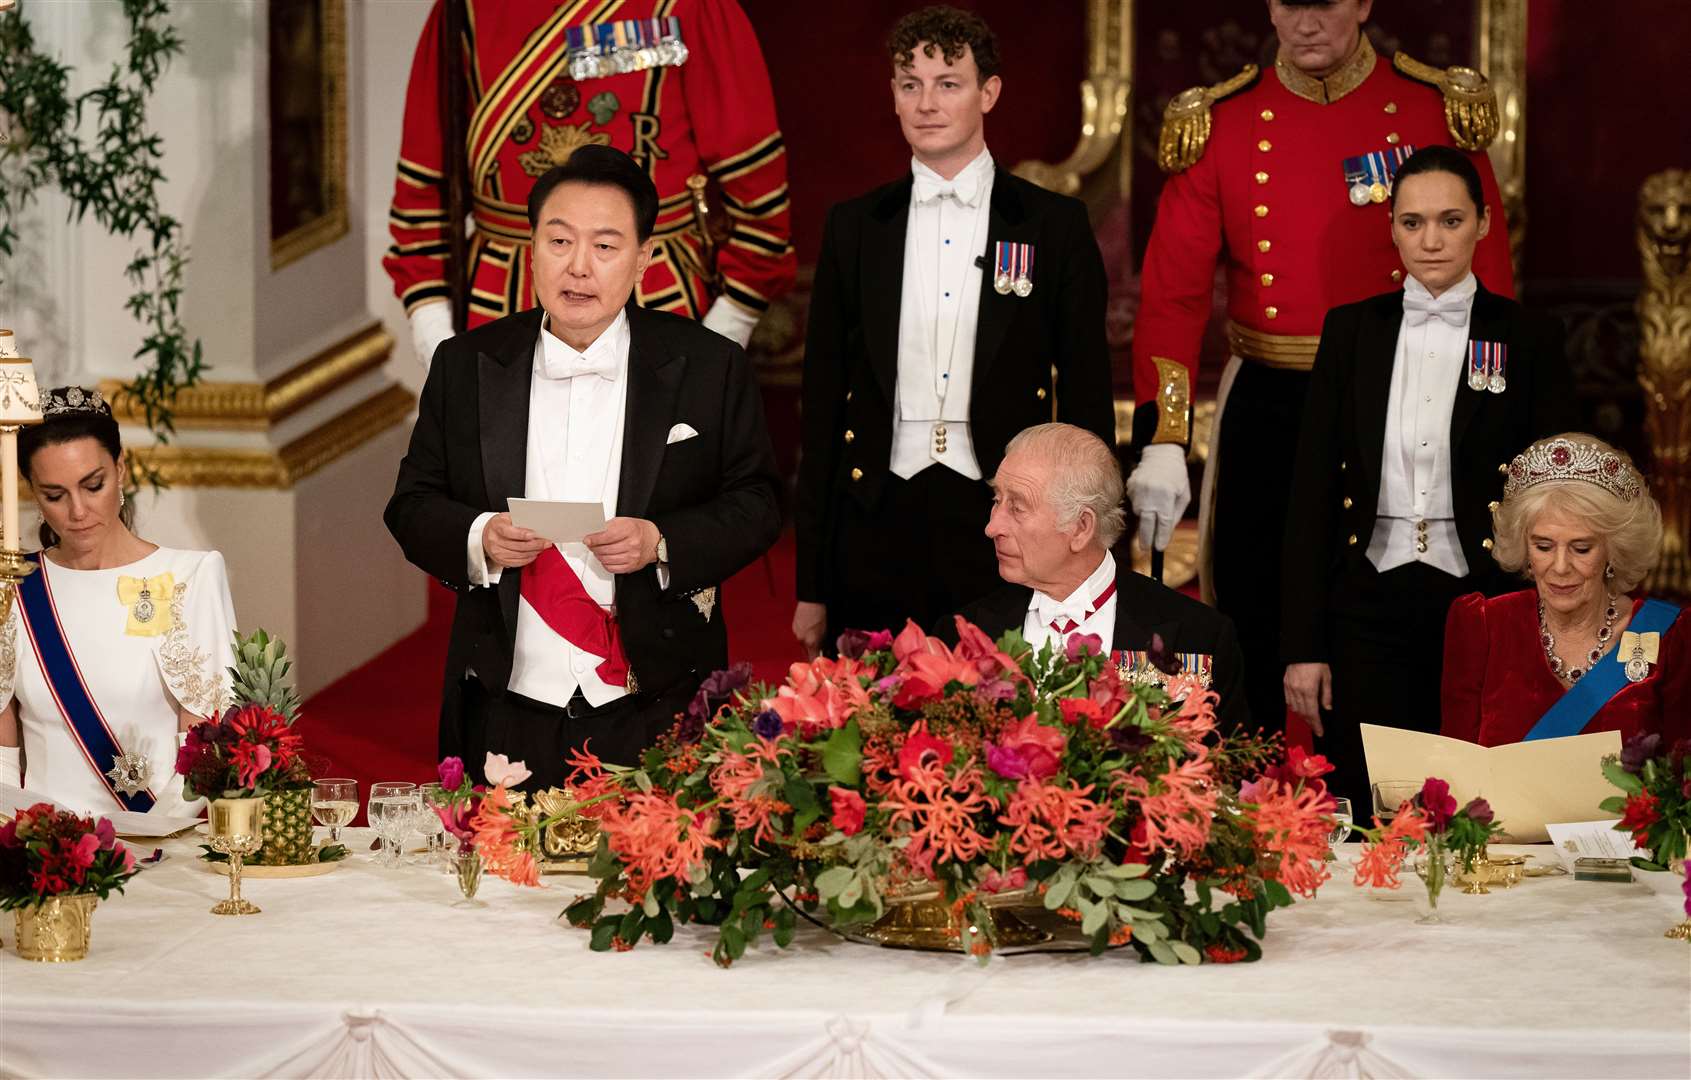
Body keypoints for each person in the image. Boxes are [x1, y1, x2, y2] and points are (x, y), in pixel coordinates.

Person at [1126, 0, 1515, 734]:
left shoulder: (1431, 108)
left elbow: (1487, 283)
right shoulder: (1222, 121)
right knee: (1257, 604)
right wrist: (1164, 435)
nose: (1306, 25)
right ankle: (1263, 796)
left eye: (1325, 5)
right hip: (1270, 396)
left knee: (1391, 602)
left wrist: (1483, 411)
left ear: (1363, 4)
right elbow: (1172, 296)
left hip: (1404, 388)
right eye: (1287, 5)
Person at [385, 145, 782, 790]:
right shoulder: (466, 366)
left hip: (659, 697)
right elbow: (411, 505)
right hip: (507, 698)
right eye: (560, 240)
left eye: (604, 246)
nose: (578, 267)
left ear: (644, 259)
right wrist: (479, 537)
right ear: (531, 248)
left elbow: (759, 502)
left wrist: (662, 541)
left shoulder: (708, 367)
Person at [793, 5, 1114, 658]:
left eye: (948, 83)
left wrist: (1089, 562)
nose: (926, 102)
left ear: (988, 91)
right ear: (891, 94)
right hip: (872, 517)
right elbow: (821, 405)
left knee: (1005, 723)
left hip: (1004, 516)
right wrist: (811, 583)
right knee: (869, 726)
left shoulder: (1052, 226)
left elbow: (1085, 400)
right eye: (909, 84)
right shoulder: (853, 227)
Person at [1280, 146, 1577, 812]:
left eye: (1449, 219)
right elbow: (1310, 498)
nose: (1431, 239)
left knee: (1479, 802)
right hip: (1366, 596)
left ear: (1482, 222)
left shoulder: (1528, 336)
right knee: (1366, 802)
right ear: (1390, 228)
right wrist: (1302, 645)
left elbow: (1559, 496)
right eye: (1412, 222)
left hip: (1482, 595)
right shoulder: (1350, 331)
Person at [386, 0, 795, 364]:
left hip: (654, 298)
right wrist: (432, 327)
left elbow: (756, 179)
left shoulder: (696, 6)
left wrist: (732, 318)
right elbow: (424, 189)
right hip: (502, 304)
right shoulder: (464, 10)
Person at [0, 388, 236, 817]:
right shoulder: (12, 586)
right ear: (32, 491)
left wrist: (151, 843)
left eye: (94, 485)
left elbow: (204, 742)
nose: (78, 511)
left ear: (121, 468)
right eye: (54, 495)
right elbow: (2, 742)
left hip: (157, 845)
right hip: (43, 856)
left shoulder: (189, 577)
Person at [937, 423, 1249, 731]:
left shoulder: (1200, 638)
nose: (993, 527)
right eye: (997, 501)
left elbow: (1227, 772)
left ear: (1081, 528)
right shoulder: (961, 635)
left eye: (1017, 508)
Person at [1442, 434, 1688, 745]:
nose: (1559, 567)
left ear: (1613, 550)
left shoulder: (1668, 635)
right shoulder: (1483, 625)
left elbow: (1680, 782)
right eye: (1543, 546)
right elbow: (1453, 768)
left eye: (1582, 549)